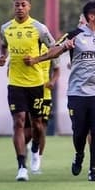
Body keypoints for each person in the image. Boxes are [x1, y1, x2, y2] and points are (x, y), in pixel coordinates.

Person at [25, 0, 95, 181]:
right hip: (77, 93)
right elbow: (53, 50)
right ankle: (79, 154)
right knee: (79, 132)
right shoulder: (74, 35)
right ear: (91, 16)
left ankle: (93, 170)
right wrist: (57, 50)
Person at [0, 0, 56, 181]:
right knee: (19, 122)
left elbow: (55, 49)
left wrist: (37, 59)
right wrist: (2, 57)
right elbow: (4, 45)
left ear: (29, 7)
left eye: (23, 5)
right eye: (17, 5)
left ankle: (36, 151)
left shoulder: (39, 28)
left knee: (38, 125)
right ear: (13, 6)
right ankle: (21, 166)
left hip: (36, 84)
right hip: (15, 84)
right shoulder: (6, 28)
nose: (20, 8)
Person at [36, 43, 60, 171]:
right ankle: (29, 150)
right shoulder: (25, 47)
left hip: (45, 94)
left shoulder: (50, 49)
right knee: (27, 128)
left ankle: (38, 158)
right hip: (27, 92)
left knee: (41, 128)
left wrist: (52, 81)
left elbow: (57, 70)